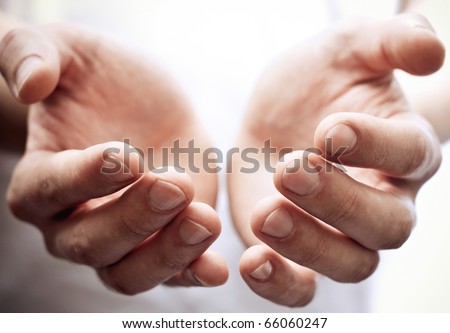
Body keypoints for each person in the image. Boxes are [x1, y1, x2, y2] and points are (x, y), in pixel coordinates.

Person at [0, 0, 448, 311]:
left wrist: (393, 112)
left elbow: (432, 27)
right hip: (65, 293)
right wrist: (46, 98)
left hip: (324, 278)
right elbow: (19, 55)